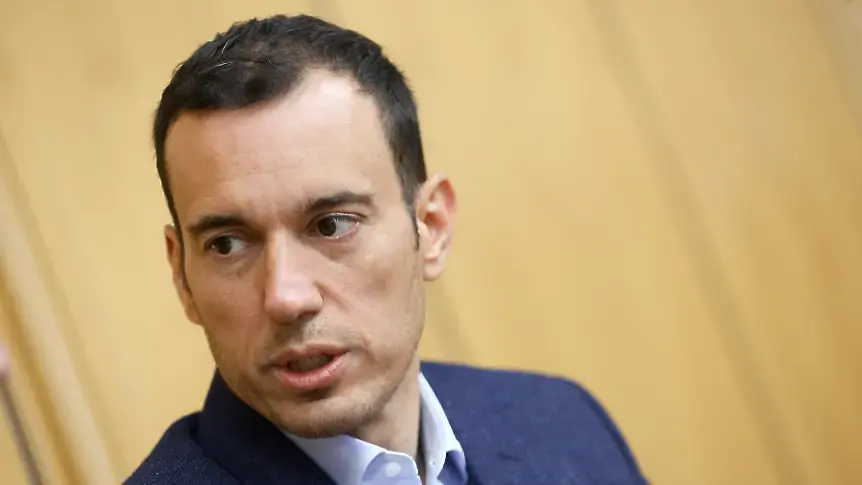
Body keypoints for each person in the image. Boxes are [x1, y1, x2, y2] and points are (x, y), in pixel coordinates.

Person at [126, 13, 648, 485]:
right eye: (227, 244)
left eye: (332, 225)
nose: (286, 297)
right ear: (182, 276)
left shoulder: (563, 424)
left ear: (431, 226)